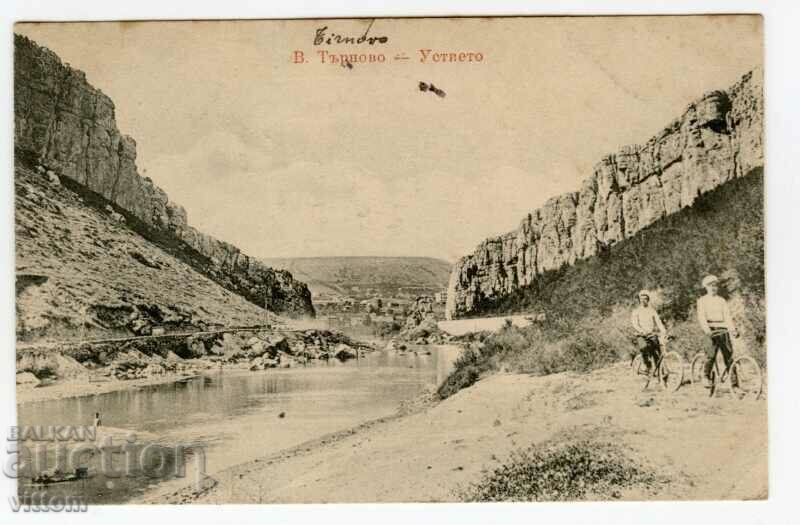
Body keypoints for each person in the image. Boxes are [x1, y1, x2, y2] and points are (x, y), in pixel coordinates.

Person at [697, 275, 739, 387]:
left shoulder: (721, 301)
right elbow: (701, 317)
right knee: (710, 355)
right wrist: (707, 330)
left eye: (715, 285)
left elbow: (727, 317)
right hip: (711, 330)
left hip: (723, 329)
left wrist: (733, 330)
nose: (713, 288)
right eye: (710, 285)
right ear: (706, 287)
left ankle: (735, 384)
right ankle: (705, 376)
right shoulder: (702, 301)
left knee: (729, 357)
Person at [631, 290, 666, 375]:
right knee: (644, 347)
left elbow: (658, 322)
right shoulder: (636, 311)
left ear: (648, 300)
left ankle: (660, 373)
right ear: (639, 300)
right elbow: (635, 324)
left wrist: (663, 331)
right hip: (641, 335)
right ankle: (647, 366)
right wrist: (641, 331)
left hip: (651, 334)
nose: (643, 300)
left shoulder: (652, 311)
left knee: (657, 352)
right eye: (641, 299)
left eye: (646, 299)